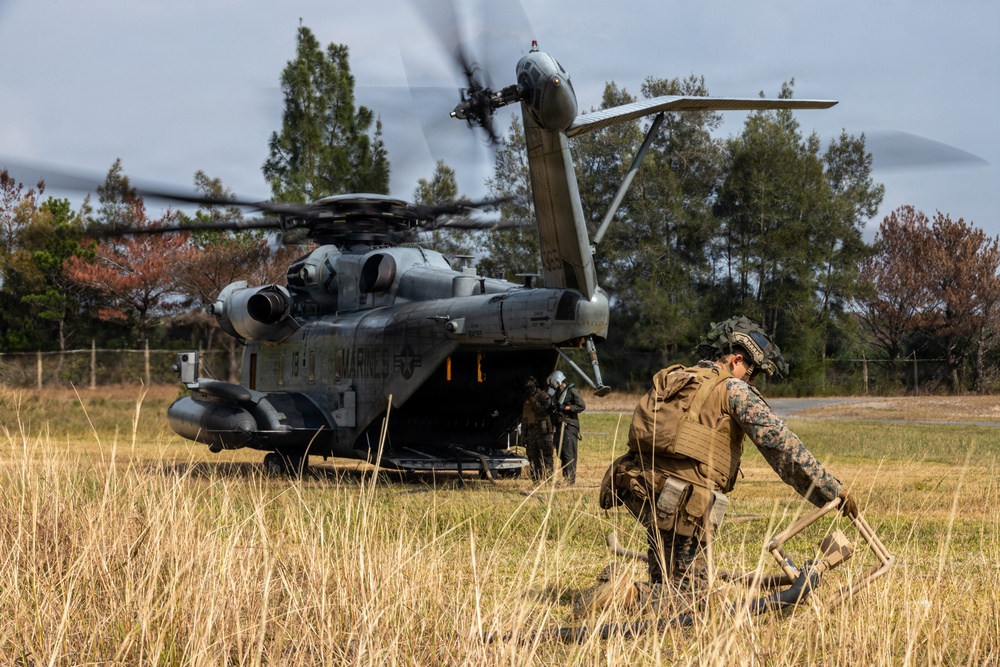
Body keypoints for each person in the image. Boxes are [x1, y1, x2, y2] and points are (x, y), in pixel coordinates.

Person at [600, 315, 858, 586]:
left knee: (666, 578)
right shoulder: (732, 388)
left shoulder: (677, 376)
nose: (753, 382)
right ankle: (621, 595)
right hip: (684, 503)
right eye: (753, 373)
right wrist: (831, 489)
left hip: (644, 489)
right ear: (736, 360)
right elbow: (782, 446)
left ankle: (632, 592)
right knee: (690, 604)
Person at [547, 370, 586, 485]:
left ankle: (570, 480)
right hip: (559, 427)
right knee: (561, 452)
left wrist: (566, 408)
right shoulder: (557, 394)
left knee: (569, 453)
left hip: (569, 427)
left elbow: (581, 406)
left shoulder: (572, 391)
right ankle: (566, 477)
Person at [521, 376, 555, 482]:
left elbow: (546, 411)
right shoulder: (527, 400)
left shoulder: (543, 396)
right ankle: (536, 480)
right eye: (527, 388)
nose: (529, 390)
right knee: (532, 457)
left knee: (546, 457)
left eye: (530, 387)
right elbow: (524, 418)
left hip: (543, 432)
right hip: (531, 432)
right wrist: (523, 434)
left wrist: (534, 404)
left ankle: (548, 480)